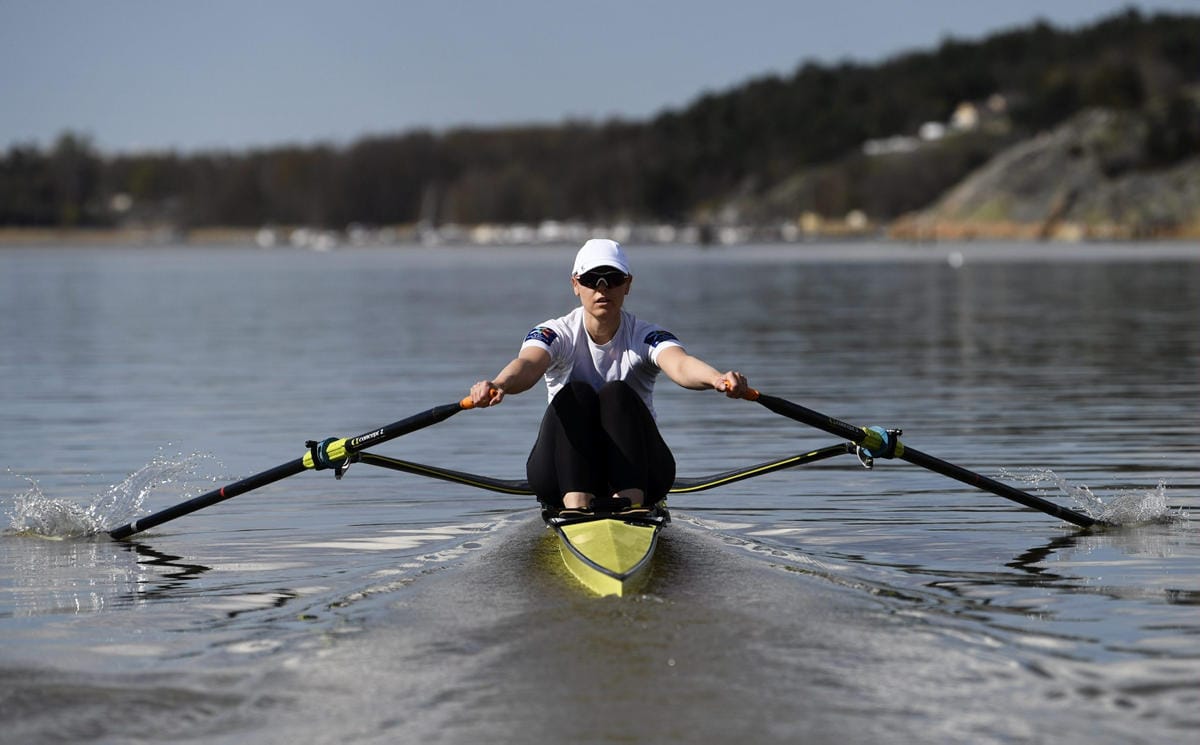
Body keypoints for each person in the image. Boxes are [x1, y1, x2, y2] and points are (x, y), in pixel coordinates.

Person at [468, 238, 750, 513]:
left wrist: (716, 378)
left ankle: (629, 504)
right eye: (592, 280)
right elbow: (528, 364)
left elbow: (680, 365)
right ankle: (576, 506)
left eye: (613, 279)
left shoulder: (646, 335)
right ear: (575, 285)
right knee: (576, 394)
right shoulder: (555, 333)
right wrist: (498, 384)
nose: (603, 289)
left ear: (628, 284)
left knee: (616, 394)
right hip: (560, 474)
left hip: (644, 471)